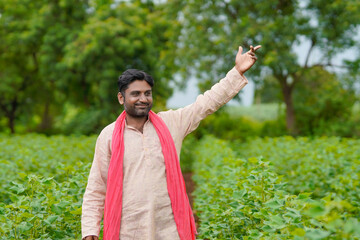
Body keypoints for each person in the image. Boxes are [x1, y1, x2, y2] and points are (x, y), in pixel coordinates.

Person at [81, 45, 261, 240]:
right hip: (128, 229)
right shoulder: (108, 136)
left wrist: (237, 72)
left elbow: (206, 103)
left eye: (147, 93)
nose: (143, 99)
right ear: (121, 98)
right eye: (135, 94)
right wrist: (90, 230)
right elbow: (97, 186)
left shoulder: (171, 123)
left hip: (170, 229)